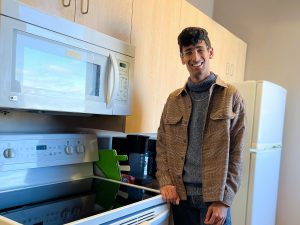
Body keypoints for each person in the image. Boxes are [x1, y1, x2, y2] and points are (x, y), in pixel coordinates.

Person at [155, 27, 246, 225]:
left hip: (214, 202)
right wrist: (165, 180)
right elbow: (162, 145)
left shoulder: (231, 96)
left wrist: (224, 200)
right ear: (182, 58)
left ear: (210, 52)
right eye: (188, 51)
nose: (195, 57)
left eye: (200, 49)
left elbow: (236, 154)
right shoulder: (173, 100)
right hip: (181, 200)